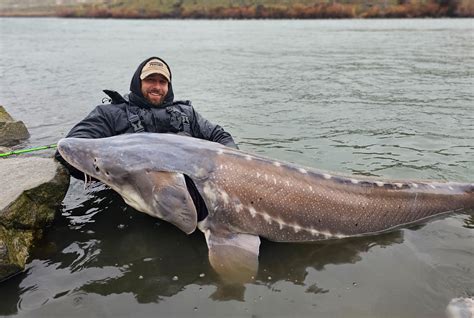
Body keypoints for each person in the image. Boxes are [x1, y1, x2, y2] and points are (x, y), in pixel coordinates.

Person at [55, 56, 238, 221]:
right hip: (131, 201)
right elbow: (71, 148)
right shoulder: (110, 114)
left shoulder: (186, 113)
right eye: (150, 80)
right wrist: (105, 169)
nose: (157, 86)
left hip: (188, 199)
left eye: (162, 81)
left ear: (169, 86)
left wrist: (231, 170)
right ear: (138, 82)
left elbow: (220, 136)